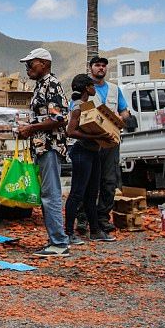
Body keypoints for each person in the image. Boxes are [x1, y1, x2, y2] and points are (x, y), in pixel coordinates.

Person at [17, 48, 70, 257]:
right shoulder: (41, 86)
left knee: (51, 194)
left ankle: (59, 243)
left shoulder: (52, 85)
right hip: (42, 146)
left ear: (44, 64)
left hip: (50, 146)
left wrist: (31, 128)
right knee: (48, 194)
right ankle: (55, 240)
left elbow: (59, 118)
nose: (28, 68)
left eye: (31, 64)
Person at [79, 56, 132, 234]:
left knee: (109, 181)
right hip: (91, 141)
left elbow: (124, 111)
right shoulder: (84, 88)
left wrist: (121, 117)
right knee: (86, 181)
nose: (101, 68)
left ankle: (103, 217)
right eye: (97, 65)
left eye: (103, 66)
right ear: (90, 68)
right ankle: (83, 217)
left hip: (110, 142)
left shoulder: (115, 90)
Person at [65, 74, 116, 245]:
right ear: (87, 88)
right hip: (82, 152)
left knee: (92, 193)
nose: (95, 88)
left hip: (93, 152)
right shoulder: (78, 106)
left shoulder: (89, 106)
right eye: (92, 85)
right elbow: (70, 131)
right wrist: (96, 135)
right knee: (77, 193)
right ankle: (69, 233)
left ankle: (95, 231)